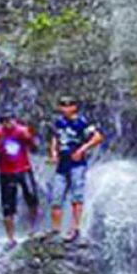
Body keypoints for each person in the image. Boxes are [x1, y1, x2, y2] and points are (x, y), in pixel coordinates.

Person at [48, 96, 104, 242]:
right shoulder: (59, 122)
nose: (64, 108)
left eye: (67, 106)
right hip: (62, 165)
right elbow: (55, 138)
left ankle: (75, 229)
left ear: (74, 107)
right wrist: (54, 153)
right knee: (56, 197)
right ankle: (55, 230)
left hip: (77, 165)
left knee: (76, 196)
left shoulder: (82, 122)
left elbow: (98, 137)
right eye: (62, 106)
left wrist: (82, 150)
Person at [0, 113, 41, 249]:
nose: (8, 123)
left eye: (10, 120)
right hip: (6, 172)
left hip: (24, 169)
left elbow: (34, 148)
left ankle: (32, 230)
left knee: (32, 199)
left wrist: (29, 138)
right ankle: (10, 238)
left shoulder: (21, 131)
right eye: (4, 121)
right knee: (7, 207)